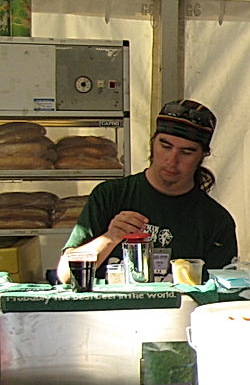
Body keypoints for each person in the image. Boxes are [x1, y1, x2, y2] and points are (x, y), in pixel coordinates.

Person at [59, 99, 238, 282]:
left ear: (202, 156)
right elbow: (65, 275)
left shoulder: (215, 220)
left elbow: (219, 298)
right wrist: (110, 237)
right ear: (153, 143)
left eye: (186, 152)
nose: (172, 160)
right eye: (165, 146)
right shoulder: (110, 195)